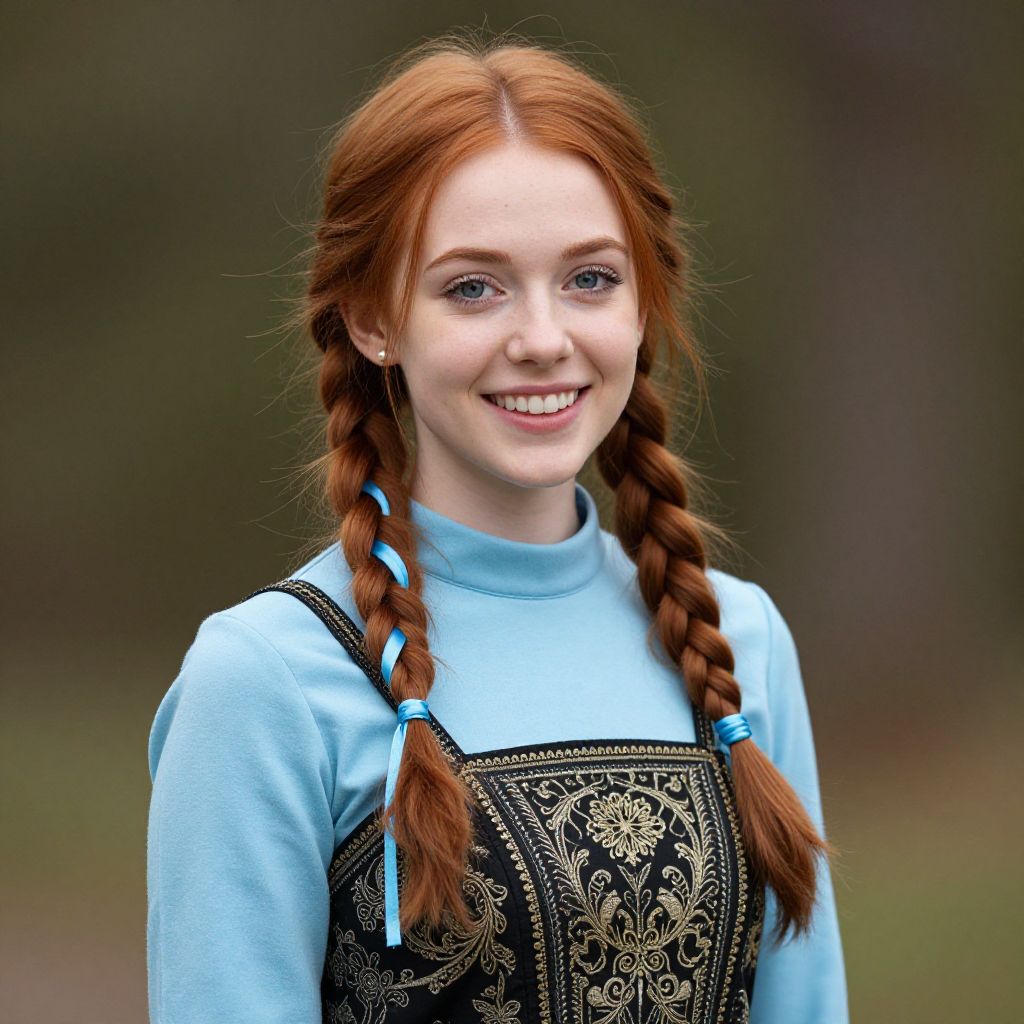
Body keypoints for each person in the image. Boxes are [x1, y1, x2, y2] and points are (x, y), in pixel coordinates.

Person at [146, 34, 848, 1024]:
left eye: (590, 278)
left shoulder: (740, 643)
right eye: (473, 287)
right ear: (372, 318)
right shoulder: (265, 681)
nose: (542, 339)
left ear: (643, 303)